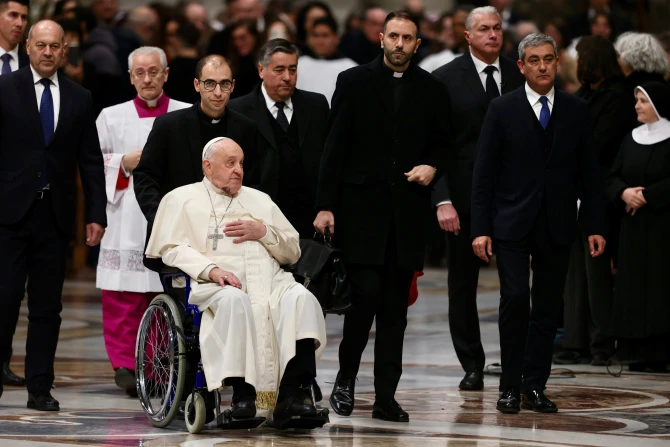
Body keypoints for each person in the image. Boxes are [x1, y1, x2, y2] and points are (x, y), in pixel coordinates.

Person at [314, 11, 449, 422]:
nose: (400, 44)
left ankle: (386, 397)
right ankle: (345, 381)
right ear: (380, 38)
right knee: (363, 302)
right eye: (394, 36)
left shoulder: (431, 88)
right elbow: (333, 147)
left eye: (408, 38)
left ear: (417, 43)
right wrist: (325, 204)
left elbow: (444, 145)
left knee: (396, 312)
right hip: (361, 215)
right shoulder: (353, 82)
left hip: (406, 216)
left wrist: (432, 166)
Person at [471, 33, 606, 414]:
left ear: (557, 62)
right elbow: (483, 174)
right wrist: (480, 228)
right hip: (511, 221)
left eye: (548, 59)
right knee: (515, 300)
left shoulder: (576, 109)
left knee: (547, 308)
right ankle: (509, 386)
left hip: (558, 222)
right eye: (534, 60)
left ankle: (535, 386)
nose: (543, 66)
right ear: (521, 66)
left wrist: (596, 224)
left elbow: (590, 174)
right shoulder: (502, 108)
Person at [145, 137, 327, 419]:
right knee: (235, 301)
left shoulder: (260, 200)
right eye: (230, 163)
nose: (238, 170)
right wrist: (211, 270)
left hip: (270, 281)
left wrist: (263, 232)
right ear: (207, 166)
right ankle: (243, 398)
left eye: (241, 163)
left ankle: (293, 394)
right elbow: (170, 249)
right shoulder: (180, 199)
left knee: (301, 299)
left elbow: (292, 251)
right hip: (215, 284)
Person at [0, 20, 106, 410]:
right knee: (4, 298)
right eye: (40, 45)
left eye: (55, 46)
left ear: (64, 51)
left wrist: (96, 214)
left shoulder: (80, 98)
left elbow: (90, 161)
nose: (47, 52)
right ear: (28, 47)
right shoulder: (4, 89)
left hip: (55, 216)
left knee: (48, 306)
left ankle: (39, 387)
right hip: (8, 214)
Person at [431, 6, 524, 392]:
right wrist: (442, 200)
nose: (492, 34)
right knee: (462, 285)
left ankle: (516, 362)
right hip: (465, 199)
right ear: (467, 35)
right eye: (483, 29)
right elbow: (435, 145)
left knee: (516, 286)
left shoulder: (520, 75)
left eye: (497, 28)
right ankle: (471, 363)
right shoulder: (444, 78)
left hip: (514, 198)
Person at [96, 46, 190, 396]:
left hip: (170, 214)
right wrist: (123, 162)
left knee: (162, 290)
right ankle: (124, 364)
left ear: (166, 74)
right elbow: (94, 164)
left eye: (154, 71)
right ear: (130, 76)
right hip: (125, 217)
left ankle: (158, 362)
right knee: (122, 294)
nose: (147, 79)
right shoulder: (110, 116)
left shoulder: (185, 113)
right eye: (140, 73)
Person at [133, 54, 260, 272]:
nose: (218, 92)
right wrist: (163, 218)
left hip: (229, 238)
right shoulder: (168, 126)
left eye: (225, 84)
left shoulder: (246, 129)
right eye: (210, 84)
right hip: (180, 235)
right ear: (197, 85)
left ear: (233, 86)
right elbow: (145, 177)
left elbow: (255, 182)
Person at [555, 35, 629, 366]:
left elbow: (600, 144)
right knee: (574, 272)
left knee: (597, 270)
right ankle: (575, 339)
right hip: (574, 191)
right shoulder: (583, 95)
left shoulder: (616, 97)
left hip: (599, 194)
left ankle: (602, 341)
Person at [229, 38, 328, 238]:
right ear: (261, 70)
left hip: (311, 218)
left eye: (292, 70)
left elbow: (329, 161)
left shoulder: (316, 105)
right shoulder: (238, 111)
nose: (287, 77)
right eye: (279, 70)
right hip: (259, 218)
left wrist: (326, 206)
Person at [606, 82, 670, 373]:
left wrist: (647, 196)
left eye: (643, 101)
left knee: (660, 287)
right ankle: (635, 352)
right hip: (631, 230)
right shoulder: (630, 138)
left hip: (662, 227)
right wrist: (624, 193)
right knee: (633, 288)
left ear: (657, 105)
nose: (637, 106)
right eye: (637, 100)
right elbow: (612, 176)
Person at [0, 0, 29, 389]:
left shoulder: (31, 67)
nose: (20, 23)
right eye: (12, 15)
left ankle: (2, 358)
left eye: (25, 17)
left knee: (8, 287)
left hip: (17, 193)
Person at [296, 16, 357, 105]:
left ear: (336, 38)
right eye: (315, 35)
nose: (320, 41)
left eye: (325, 35)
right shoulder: (298, 64)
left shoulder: (350, 68)